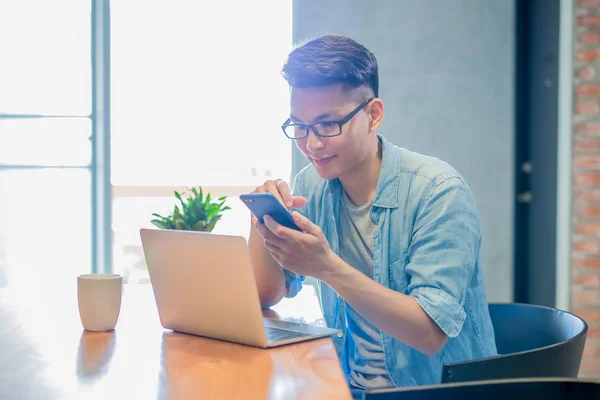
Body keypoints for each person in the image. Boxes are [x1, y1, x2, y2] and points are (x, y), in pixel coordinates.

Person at [248, 35, 497, 395]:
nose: (312, 144)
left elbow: (428, 333)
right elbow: (267, 294)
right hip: (347, 386)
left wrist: (326, 267)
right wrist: (261, 221)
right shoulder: (313, 185)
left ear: (373, 114)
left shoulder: (439, 191)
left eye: (328, 124)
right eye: (299, 126)